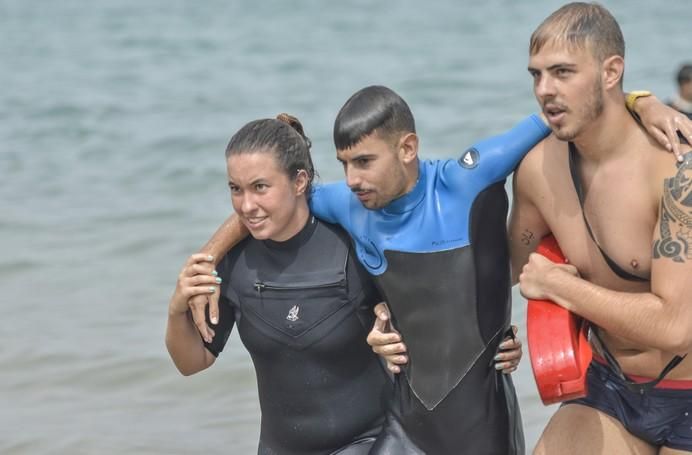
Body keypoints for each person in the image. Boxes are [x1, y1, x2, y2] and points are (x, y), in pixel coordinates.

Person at [191, 81, 684, 453]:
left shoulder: (466, 180)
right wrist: (207, 261)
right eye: (344, 164)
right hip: (405, 426)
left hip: (483, 424)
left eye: (364, 162)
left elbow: (566, 110)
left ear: (407, 148)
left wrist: (642, 101)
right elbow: (268, 204)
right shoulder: (348, 203)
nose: (351, 179)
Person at [165, 113, 524, 455]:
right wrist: (176, 307)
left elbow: (429, 309)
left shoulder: (350, 242)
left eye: (260, 187)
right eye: (235, 189)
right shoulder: (235, 262)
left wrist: (495, 340)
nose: (246, 205)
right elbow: (192, 362)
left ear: (301, 182)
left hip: (368, 440)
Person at [508, 3, 692, 454]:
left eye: (563, 72)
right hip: (610, 387)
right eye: (536, 74)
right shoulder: (537, 171)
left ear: (612, 72)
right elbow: (505, 273)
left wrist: (560, 286)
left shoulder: (677, 172)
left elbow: (675, 326)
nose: (545, 90)